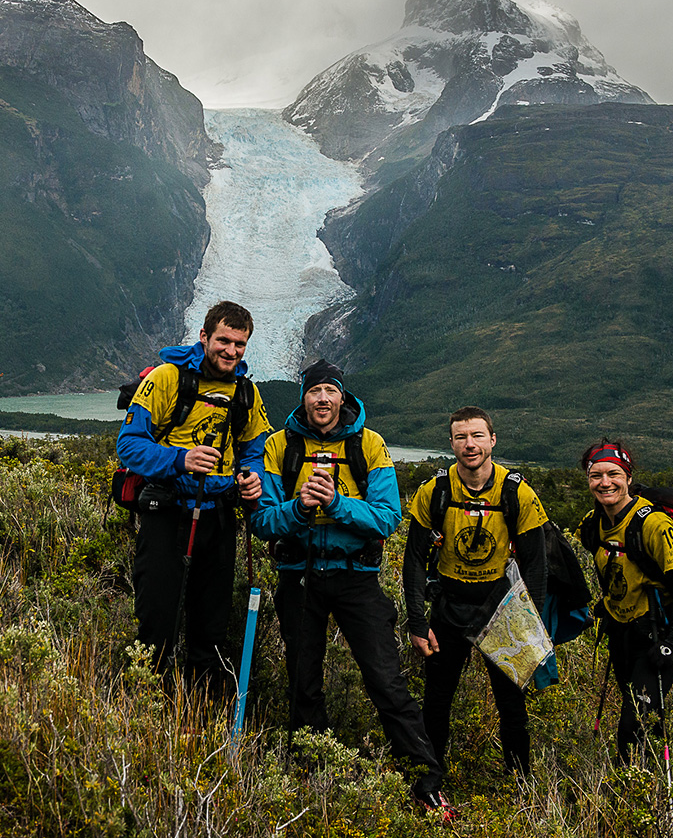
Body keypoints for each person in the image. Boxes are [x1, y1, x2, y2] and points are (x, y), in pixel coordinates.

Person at [251, 360, 449, 815]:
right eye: (314, 391)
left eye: (330, 391)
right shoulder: (279, 446)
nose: (322, 399)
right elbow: (262, 520)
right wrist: (299, 509)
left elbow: (388, 517)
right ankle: (312, 768)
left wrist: (336, 503)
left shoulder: (369, 445)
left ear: (343, 397)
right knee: (303, 679)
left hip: (356, 578)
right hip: (299, 576)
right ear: (303, 397)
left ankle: (425, 779)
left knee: (385, 678)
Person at [116, 300, 271, 692]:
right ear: (204, 337)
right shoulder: (167, 378)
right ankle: (146, 701)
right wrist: (181, 459)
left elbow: (254, 449)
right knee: (157, 619)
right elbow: (129, 445)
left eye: (239, 344)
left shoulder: (246, 392)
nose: (231, 351)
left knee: (211, 625)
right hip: (169, 513)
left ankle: (201, 706)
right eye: (223, 341)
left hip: (219, 516)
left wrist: (253, 477)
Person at [402, 406, 549, 783]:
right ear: (451, 443)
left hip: (500, 610)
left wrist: (532, 627)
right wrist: (417, 622)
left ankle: (521, 785)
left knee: (511, 704)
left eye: (478, 436)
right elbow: (414, 559)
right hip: (448, 607)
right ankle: (431, 781)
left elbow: (536, 565)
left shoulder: (516, 492)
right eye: (461, 437)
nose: (470, 444)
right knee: (437, 701)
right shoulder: (435, 491)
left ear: (492, 440)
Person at [575, 440, 673, 764]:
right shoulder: (593, 523)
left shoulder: (653, 524)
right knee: (640, 711)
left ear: (628, 477)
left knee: (632, 721)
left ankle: (628, 787)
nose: (605, 482)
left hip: (657, 635)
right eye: (596, 475)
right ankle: (649, 774)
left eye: (614, 474)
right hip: (621, 632)